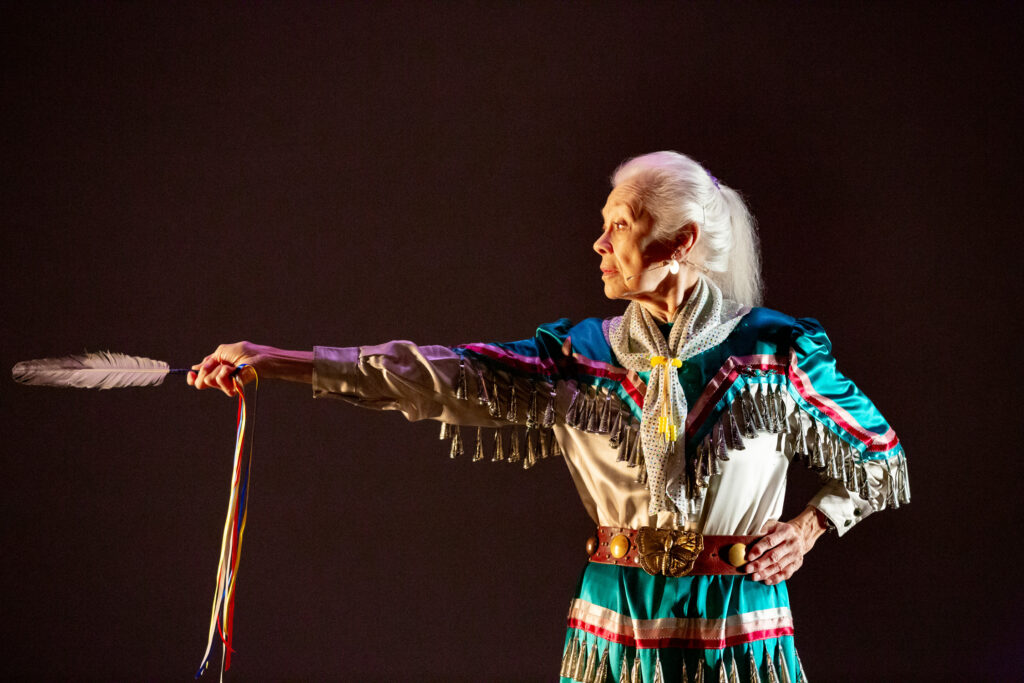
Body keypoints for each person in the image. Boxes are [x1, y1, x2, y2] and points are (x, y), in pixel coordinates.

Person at [188, 151, 908, 683]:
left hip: (738, 628)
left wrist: (811, 525)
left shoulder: (770, 352)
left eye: (619, 226)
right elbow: (438, 374)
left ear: (682, 242)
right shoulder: (581, 356)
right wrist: (277, 359)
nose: (598, 245)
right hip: (614, 624)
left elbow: (880, 454)